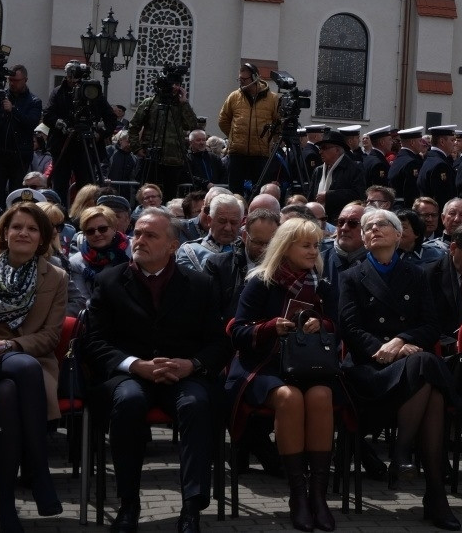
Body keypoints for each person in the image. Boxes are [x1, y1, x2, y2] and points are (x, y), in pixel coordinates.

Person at [86, 208, 233, 532]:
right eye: (137, 233)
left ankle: (191, 508)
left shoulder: (200, 284)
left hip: (182, 375)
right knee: (128, 402)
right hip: (129, 375)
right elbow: (94, 341)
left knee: (196, 404)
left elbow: (219, 343)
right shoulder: (109, 281)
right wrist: (135, 365)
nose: (139, 240)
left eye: (150, 235)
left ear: (172, 245)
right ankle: (128, 504)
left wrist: (191, 365)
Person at [337, 208, 460, 530]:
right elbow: (350, 328)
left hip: (409, 364)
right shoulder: (351, 276)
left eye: (382, 224)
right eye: (368, 227)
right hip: (369, 369)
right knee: (429, 374)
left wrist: (401, 340)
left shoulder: (417, 275)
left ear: (398, 235)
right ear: (364, 239)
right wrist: (387, 349)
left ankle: (408, 462)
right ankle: (430, 489)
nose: (374, 229)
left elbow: (431, 325)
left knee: (426, 375)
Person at [0, 202, 66, 530]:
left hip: (35, 365)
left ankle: (5, 502)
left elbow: (50, 337)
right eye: (17, 227)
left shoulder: (56, 276)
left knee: (9, 391)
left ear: (42, 238)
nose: (23, 233)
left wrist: (10, 346)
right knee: (17, 376)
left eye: (32, 229)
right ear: (4, 232)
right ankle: (39, 472)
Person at [227, 217, 339, 532]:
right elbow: (237, 331)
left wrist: (322, 324)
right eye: (306, 245)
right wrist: (269, 327)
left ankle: (318, 495)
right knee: (289, 398)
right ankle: (298, 495)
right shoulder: (261, 281)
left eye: (316, 245)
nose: (313, 251)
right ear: (286, 247)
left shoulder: (322, 285)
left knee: (322, 395)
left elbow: (338, 328)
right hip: (263, 365)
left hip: (309, 365)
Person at [43, 61, 117, 209]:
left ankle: (86, 213)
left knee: (87, 186)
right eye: (71, 76)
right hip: (63, 144)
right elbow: (47, 114)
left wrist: (99, 134)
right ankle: (59, 214)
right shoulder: (58, 92)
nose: (73, 80)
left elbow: (111, 118)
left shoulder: (93, 92)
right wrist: (60, 124)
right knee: (60, 184)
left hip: (86, 146)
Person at [128, 72, 200, 198]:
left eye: (178, 84)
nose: (175, 87)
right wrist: (137, 148)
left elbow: (193, 125)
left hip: (174, 159)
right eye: (172, 83)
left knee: (170, 196)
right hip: (151, 158)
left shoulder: (180, 105)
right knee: (149, 194)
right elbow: (134, 126)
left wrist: (184, 103)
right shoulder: (150, 103)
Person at [0, 65, 43, 205]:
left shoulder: (34, 101)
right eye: (10, 80)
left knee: (17, 195)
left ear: (25, 80)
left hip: (19, 154)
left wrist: (13, 110)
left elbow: (31, 122)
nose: (12, 83)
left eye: (16, 80)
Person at [218, 62, 280, 197]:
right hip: (237, 153)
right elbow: (223, 120)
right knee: (235, 193)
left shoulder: (272, 99)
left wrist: (270, 140)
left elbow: (278, 123)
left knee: (260, 193)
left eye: (244, 79)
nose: (241, 82)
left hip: (261, 154)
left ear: (255, 78)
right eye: (239, 79)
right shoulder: (234, 96)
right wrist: (235, 136)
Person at [67, 205, 130, 306]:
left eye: (102, 229)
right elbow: (82, 299)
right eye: (90, 231)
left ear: (114, 228)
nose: (97, 234)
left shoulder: (133, 251)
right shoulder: (76, 262)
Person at [307, 130, 366, 221]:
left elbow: (359, 195)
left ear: (337, 150)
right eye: (320, 148)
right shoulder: (318, 170)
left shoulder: (354, 168)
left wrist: (329, 195)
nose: (320, 152)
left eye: (324, 148)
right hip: (318, 220)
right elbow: (311, 197)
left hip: (340, 221)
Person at [176, 193, 244, 270]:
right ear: (209, 220)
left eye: (234, 222)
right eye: (222, 221)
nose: (228, 228)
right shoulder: (191, 252)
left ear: (241, 223)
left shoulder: (247, 250)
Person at [417, 126, 457, 210]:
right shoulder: (440, 165)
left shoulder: (431, 158)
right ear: (442, 141)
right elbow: (443, 197)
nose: (455, 143)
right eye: (452, 140)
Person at [388, 127, 425, 208]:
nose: (422, 144)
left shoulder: (400, 158)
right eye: (420, 141)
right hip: (405, 207)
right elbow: (412, 191)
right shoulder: (412, 162)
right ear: (412, 142)